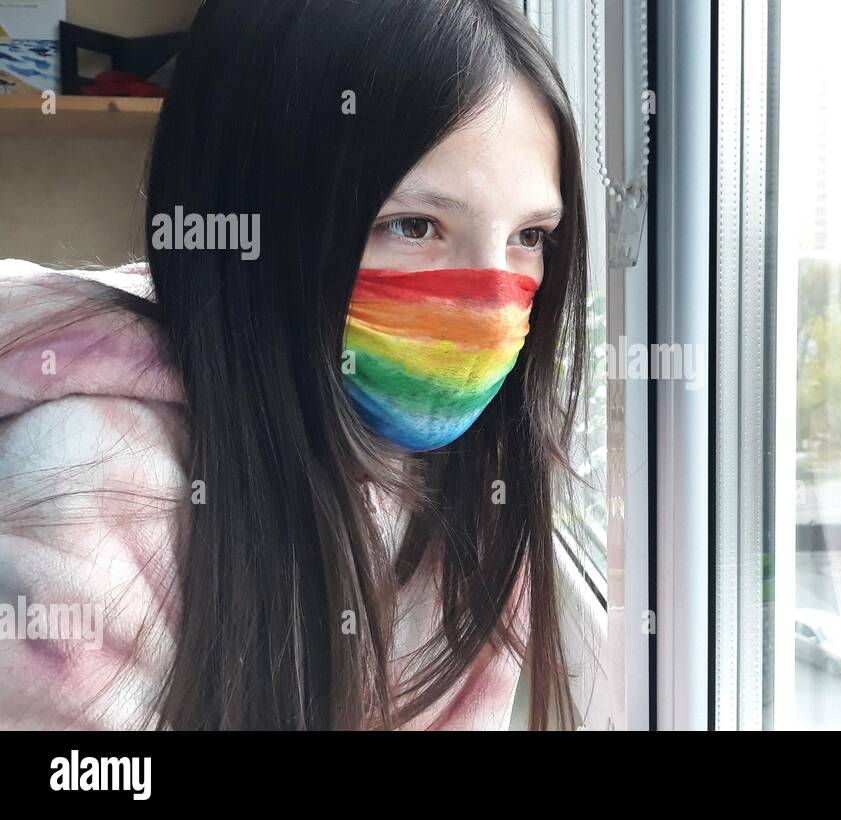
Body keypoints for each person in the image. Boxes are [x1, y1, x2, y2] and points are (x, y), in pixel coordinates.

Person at [0, 0, 588, 730]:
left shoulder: (476, 477)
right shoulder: (93, 492)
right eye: (414, 226)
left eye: (531, 235)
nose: (488, 305)